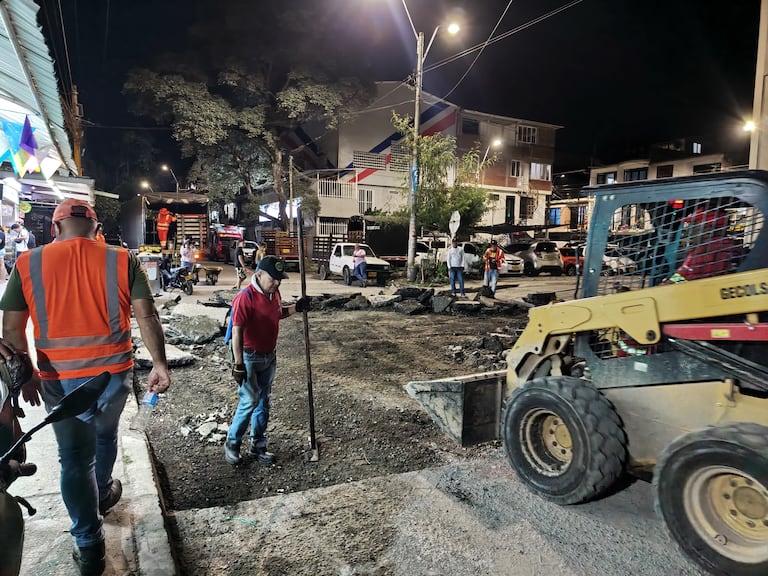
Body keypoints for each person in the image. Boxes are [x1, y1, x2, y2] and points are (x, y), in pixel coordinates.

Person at [0, 199, 171, 576]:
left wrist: (25, 374)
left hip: (59, 381)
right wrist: (159, 363)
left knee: (74, 458)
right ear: (96, 229)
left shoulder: (28, 263)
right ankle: (104, 490)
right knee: (106, 436)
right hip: (111, 376)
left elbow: (11, 330)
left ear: (56, 228)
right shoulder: (122, 259)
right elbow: (146, 314)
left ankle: (89, 544)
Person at [224, 256, 309, 466]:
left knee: (264, 401)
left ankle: (258, 446)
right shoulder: (245, 297)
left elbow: (277, 314)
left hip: (268, 355)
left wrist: (297, 308)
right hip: (248, 355)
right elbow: (237, 332)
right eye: (274, 279)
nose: (278, 283)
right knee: (249, 400)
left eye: (280, 279)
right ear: (259, 275)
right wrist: (238, 363)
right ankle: (232, 444)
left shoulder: (274, 294)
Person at [668, 207, 741, 283]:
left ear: (707, 229)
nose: (690, 231)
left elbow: (683, 276)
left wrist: (666, 285)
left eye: (695, 224)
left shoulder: (705, 250)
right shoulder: (730, 246)